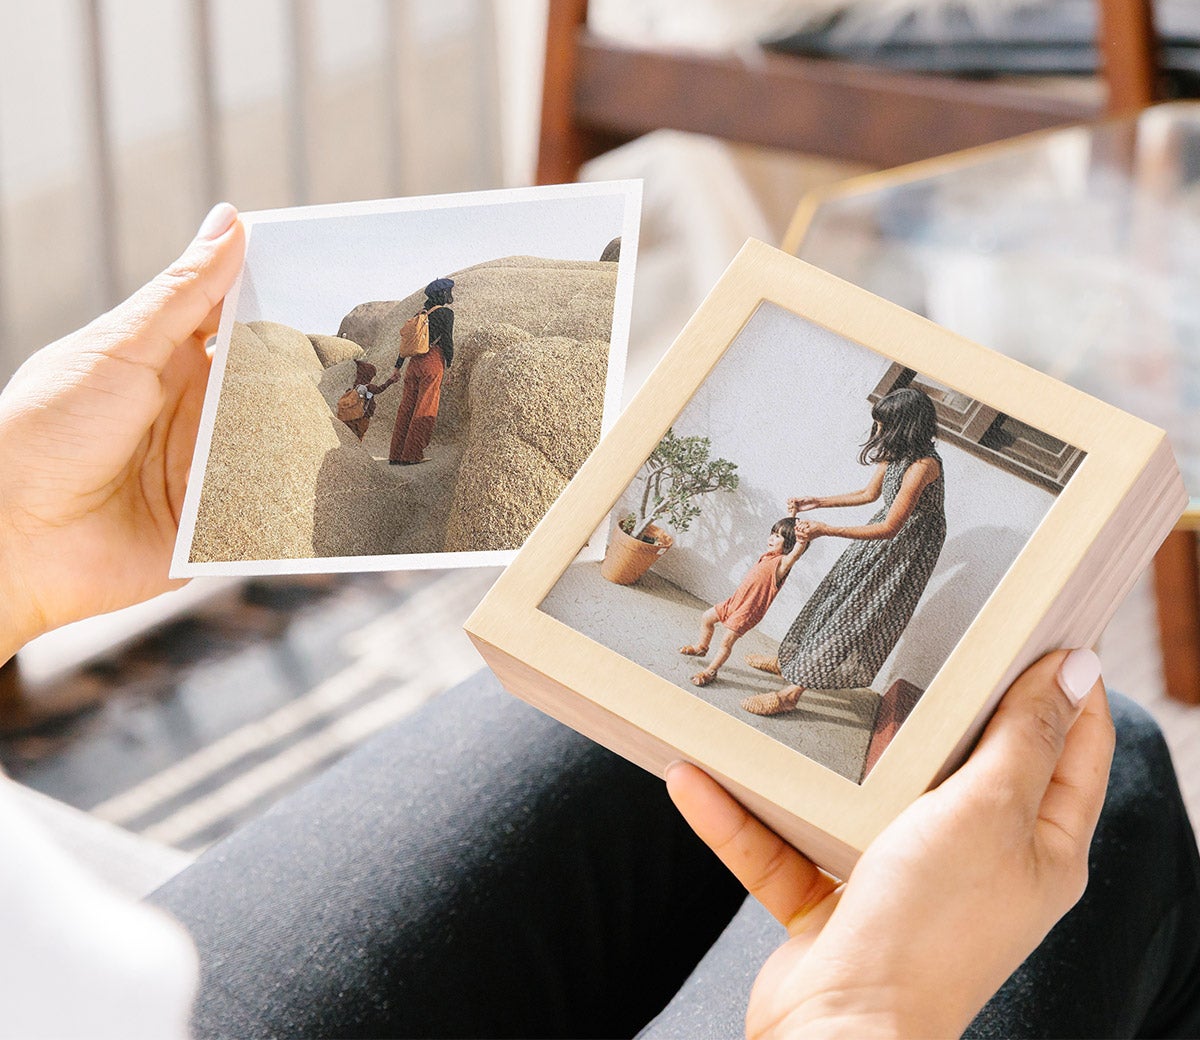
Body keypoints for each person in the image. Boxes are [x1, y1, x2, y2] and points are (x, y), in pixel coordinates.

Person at [1, 207, 1199, 1038]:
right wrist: (858, 1017)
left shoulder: (918, 471)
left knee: (600, 718)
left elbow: (882, 514)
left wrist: (19, 544)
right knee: (1118, 773)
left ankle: (756, 685)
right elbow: (866, 510)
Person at [743, 386, 945, 718]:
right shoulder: (897, 452)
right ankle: (789, 664)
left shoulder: (924, 465)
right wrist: (819, 501)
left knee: (851, 616)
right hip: (883, 535)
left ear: (906, 425)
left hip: (907, 549)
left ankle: (791, 694)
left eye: (884, 423)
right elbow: (869, 493)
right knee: (834, 597)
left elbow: (892, 528)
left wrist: (827, 529)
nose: (877, 430)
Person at [680, 516, 808, 686]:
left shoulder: (783, 564)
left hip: (748, 611)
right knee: (707, 618)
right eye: (772, 533)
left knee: (726, 643)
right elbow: (788, 529)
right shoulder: (769, 556)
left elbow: (796, 553)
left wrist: (802, 539)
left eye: (778, 536)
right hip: (734, 602)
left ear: (790, 544)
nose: (771, 538)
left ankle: (710, 671)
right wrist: (793, 513)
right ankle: (701, 647)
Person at [376, 277, 455, 465]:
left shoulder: (419, 314)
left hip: (413, 364)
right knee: (425, 407)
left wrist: (397, 367)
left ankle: (396, 454)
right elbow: (447, 342)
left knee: (406, 409)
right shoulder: (445, 313)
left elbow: (406, 344)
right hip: (432, 361)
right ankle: (412, 455)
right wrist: (449, 366)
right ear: (443, 294)